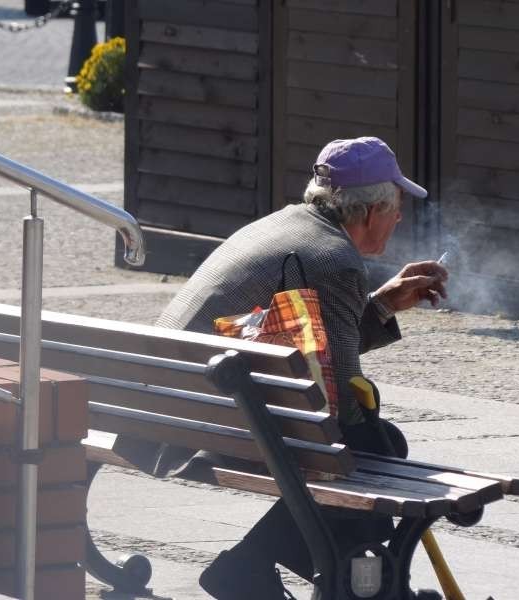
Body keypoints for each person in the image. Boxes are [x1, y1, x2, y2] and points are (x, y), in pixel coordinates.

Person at [154, 137, 448, 599]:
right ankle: (347, 583)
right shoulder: (334, 260)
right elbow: (346, 399)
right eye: (396, 207)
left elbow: (311, 346)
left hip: (174, 410)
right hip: (212, 416)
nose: (400, 218)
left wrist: (383, 306)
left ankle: (304, 574)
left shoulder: (283, 225)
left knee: (362, 446)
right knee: (369, 446)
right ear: (370, 212)